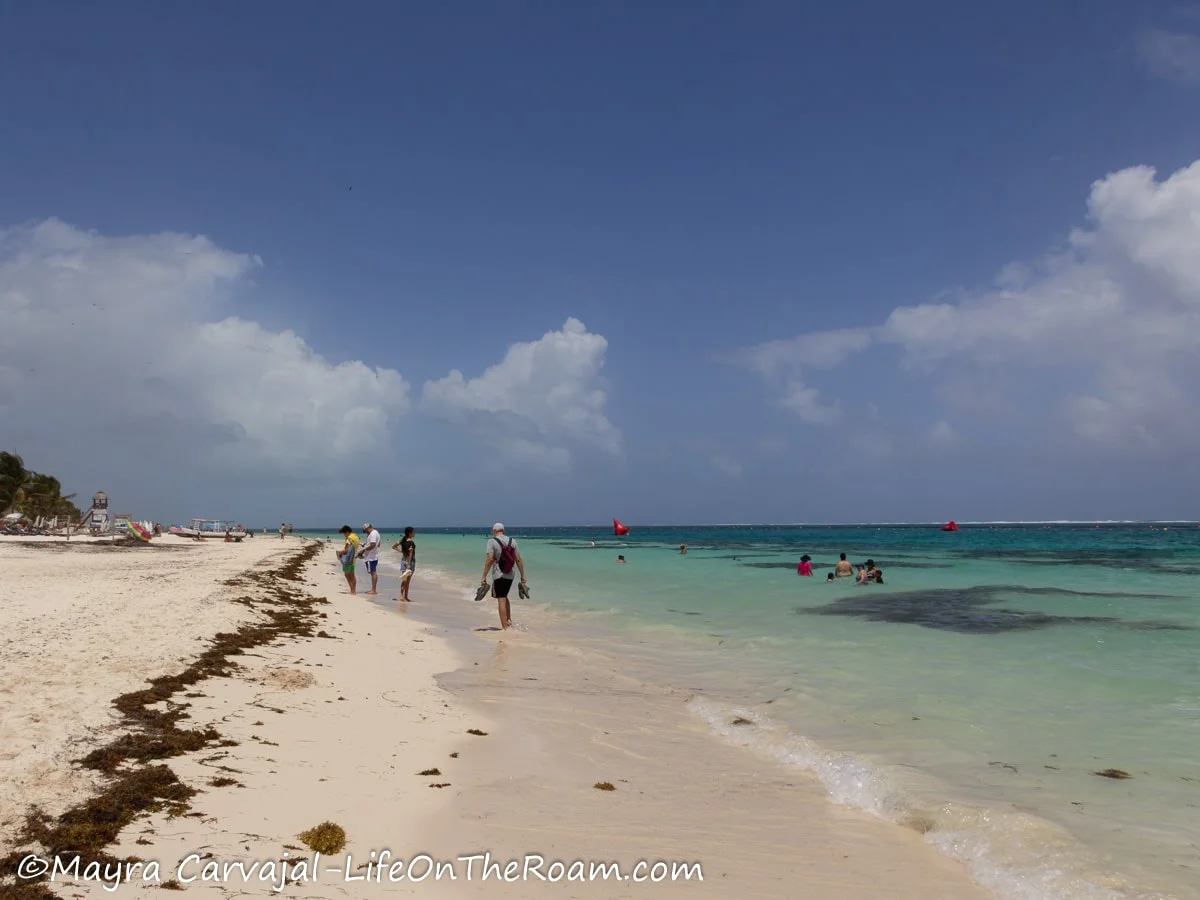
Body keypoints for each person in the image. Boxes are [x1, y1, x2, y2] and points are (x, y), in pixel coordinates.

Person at [481, 523, 526, 631]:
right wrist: (522, 575)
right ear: (503, 530)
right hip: (511, 574)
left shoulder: (491, 541)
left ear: (494, 531)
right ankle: (509, 620)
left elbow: (490, 559)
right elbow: (518, 559)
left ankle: (505, 628)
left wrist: (484, 575)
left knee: (501, 599)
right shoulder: (513, 541)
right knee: (504, 596)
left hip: (499, 574)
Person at [391, 527, 416, 602]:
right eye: (413, 532)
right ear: (410, 533)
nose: (414, 533)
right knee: (407, 581)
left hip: (403, 560)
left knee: (404, 579)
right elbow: (411, 554)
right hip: (410, 562)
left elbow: (394, 546)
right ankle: (406, 596)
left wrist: (401, 551)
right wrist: (408, 565)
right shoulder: (411, 542)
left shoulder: (402, 540)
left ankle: (402, 596)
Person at [359, 523, 381, 595]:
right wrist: (365, 544)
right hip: (372, 556)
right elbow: (378, 544)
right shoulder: (375, 533)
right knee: (372, 572)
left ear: (367, 528)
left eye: (365, 531)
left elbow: (373, 545)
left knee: (373, 572)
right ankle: (373, 589)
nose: (365, 533)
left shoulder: (373, 533)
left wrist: (363, 550)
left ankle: (373, 590)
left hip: (371, 557)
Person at [337, 525, 359, 595]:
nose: (344, 535)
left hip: (348, 558)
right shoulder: (355, 536)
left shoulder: (349, 538)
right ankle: (352, 590)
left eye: (344, 533)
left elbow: (347, 549)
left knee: (349, 574)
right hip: (353, 558)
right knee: (349, 574)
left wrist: (339, 553)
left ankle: (353, 590)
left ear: (347, 532)